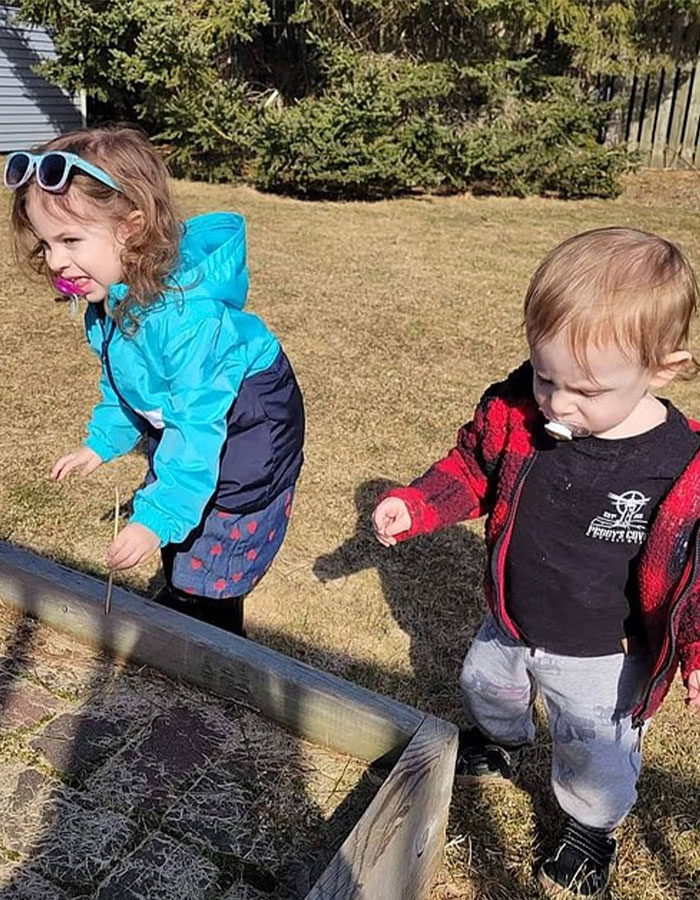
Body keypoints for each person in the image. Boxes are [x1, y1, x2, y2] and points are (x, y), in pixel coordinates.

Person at [372, 226, 700, 898]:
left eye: (584, 390)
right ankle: (501, 741)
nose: (556, 402)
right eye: (545, 375)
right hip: (512, 619)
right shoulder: (518, 410)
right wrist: (420, 504)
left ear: (663, 368)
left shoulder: (681, 466)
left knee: (595, 753)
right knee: (485, 685)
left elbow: (694, 578)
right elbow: (472, 468)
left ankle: (591, 831)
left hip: (602, 654)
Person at [5, 127, 304, 636]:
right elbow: (128, 384)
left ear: (133, 228)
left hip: (251, 420)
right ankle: (184, 591)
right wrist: (100, 444)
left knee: (220, 533)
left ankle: (216, 635)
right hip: (197, 414)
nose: (54, 260)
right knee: (178, 519)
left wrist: (156, 516)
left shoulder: (187, 323)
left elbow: (194, 429)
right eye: (47, 243)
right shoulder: (111, 300)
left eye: (70, 240)